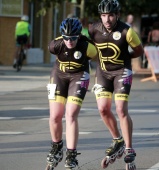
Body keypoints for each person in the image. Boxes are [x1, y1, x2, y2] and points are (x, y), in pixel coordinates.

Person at [88, 0, 144, 167]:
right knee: (103, 109)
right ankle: (117, 140)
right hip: (103, 73)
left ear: (117, 15)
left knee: (120, 109)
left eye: (111, 15)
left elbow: (139, 51)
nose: (107, 19)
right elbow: (89, 49)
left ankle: (129, 149)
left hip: (122, 72)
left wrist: (125, 58)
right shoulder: (93, 29)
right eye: (104, 15)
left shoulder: (127, 31)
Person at [46, 18, 97, 169]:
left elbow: (101, 63)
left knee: (71, 113)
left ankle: (71, 155)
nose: (69, 41)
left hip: (79, 75)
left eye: (73, 38)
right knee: (55, 115)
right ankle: (56, 147)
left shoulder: (88, 48)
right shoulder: (54, 45)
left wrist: (99, 80)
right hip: (59, 75)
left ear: (79, 36)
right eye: (66, 38)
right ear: (62, 36)